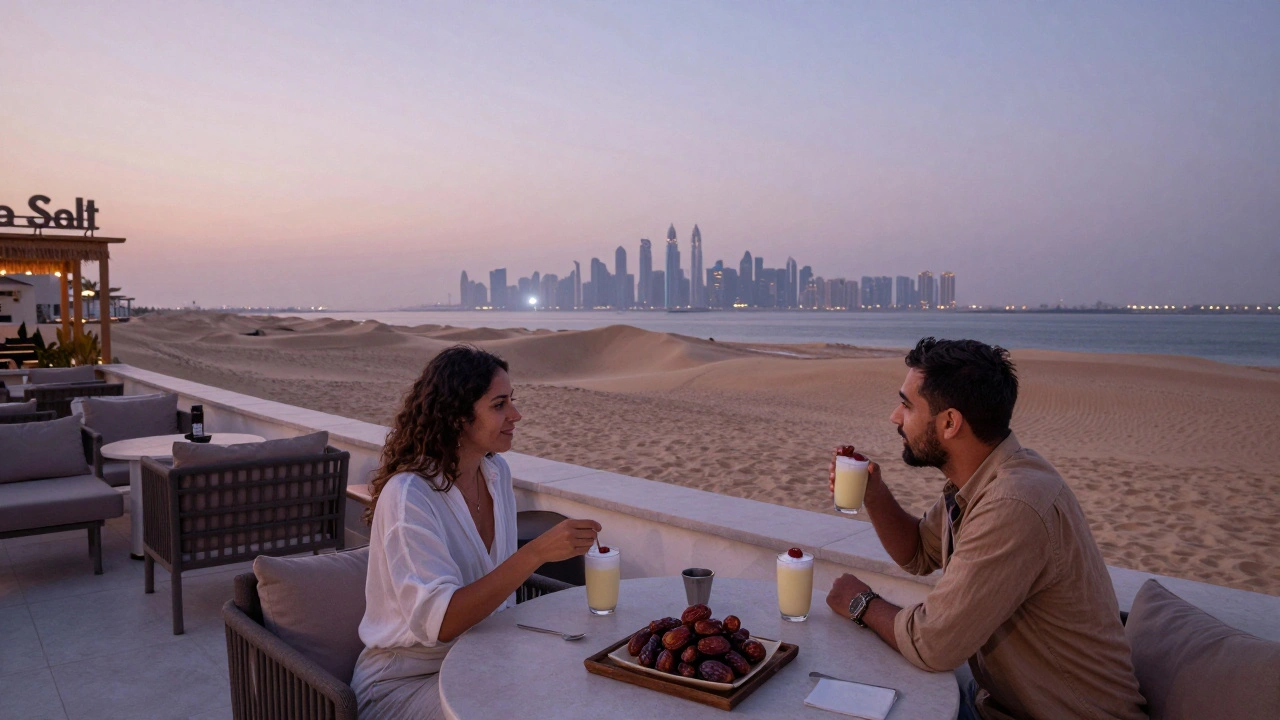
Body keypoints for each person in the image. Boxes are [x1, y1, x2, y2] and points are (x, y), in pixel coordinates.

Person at [824, 338, 1146, 720]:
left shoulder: (1012, 504)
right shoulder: (987, 478)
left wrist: (861, 603)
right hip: (994, 701)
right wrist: (873, 494)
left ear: (949, 423)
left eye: (907, 404)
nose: (896, 416)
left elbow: (933, 643)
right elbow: (918, 553)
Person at [353, 345, 601, 720]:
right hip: (408, 681)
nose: (516, 415)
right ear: (457, 417)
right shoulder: (409, 497)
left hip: (486, 658)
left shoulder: (496, 473)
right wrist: (534, 553)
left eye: (511, 401)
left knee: (584, 687)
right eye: (499, 405)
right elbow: (442, 622)